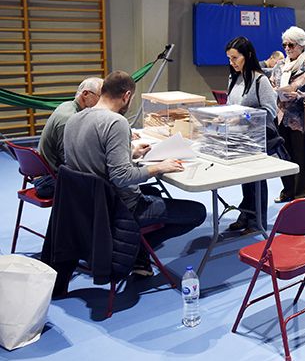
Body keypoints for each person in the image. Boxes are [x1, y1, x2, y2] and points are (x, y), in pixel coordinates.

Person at [63, 71, 205, 275]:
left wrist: (132, 156)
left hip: (86, 206)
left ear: (102, 91)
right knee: (197, 212)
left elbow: (95, 160)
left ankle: (138, 254)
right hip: (118, 208)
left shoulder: (75, 119)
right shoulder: (116, 122)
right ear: (127, 96)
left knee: (155, 194)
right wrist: (159, 167)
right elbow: (121, 177)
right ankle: (137, 248)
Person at [224, 36, 278, 231]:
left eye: (235, 58)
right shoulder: (234, 78)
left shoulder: (260, 80)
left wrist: (243, 117)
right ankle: (246, 215)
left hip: (256, 140)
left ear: (247, 55)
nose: (232, 63)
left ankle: (258, 220)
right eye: (229, 59)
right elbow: (231, 105)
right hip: (238, 139)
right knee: (245, 181)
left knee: (256, 181)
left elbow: (270, 111)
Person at [270, 26, 305, 202]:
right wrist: (273, 91)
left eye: (291, 45)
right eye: (285, 44)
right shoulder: (280, 65)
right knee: (284, 158)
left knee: (302, 160)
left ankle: (301, 197)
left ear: (302, 45)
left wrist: (299, 96)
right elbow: (271, 85)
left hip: (302, 120)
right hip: (281, 118)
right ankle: (288, 191)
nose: (287, 48)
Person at [35, 76, 103, 198]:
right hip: (49, 179)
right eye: (100, 97)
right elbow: (70, 161)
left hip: (48, 171)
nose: (102, 102)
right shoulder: (69, 119)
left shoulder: (67, 106)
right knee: (103, 181)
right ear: (86, 94)